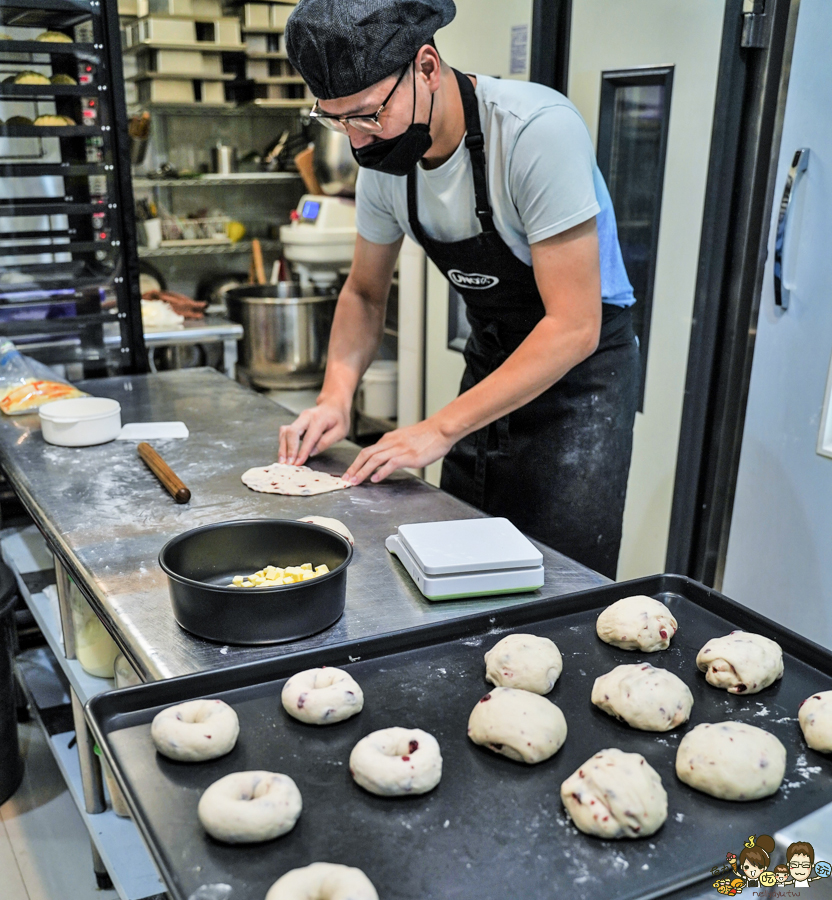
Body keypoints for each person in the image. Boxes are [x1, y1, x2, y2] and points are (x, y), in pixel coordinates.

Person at [279, 0, 639, 577]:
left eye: (369, 115)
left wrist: (439, 428)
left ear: (426, 67)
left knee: (558, 580)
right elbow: (365, 293)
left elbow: (575, 325)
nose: (358, 142)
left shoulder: (534, 132)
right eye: (337, 120)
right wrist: (335, 397)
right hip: (490, 360)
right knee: (460, 565)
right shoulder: (384, 168)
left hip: (579, 381)